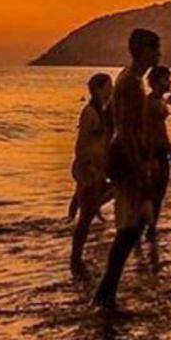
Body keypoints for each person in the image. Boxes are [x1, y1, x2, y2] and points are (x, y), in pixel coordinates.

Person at [93, 28, 161, 309]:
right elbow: (128, 131)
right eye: (155, 48)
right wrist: (140, 172)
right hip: (129, 160)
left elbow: (111, 118)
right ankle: (105, 294)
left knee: (133, 225)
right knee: (130, 227)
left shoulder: (127, 78)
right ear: (143, 50)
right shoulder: (131, 83)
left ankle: (107, 292)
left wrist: (109, 150)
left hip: (123, 157)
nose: (159, 53)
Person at [69, 73, 114, 269]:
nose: (110, 90)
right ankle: (75, 259)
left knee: (90, 203)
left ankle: (82, 207)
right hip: (89, 168)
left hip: (98, 168)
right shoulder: (89, 113)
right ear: (98, 89)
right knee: (85, 218)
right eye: (108, 86)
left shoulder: (102, 111)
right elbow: (81, 145)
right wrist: (87, 169)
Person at [144, 65, 171, 241]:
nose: (170, 82)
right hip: (153, 152)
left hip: (161, 150)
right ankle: (146, 230)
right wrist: (150, 158)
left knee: (158, 194)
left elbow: (162, 130)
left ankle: (151, 228)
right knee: (152, 194)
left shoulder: (159, 101)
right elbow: (150, 132)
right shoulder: (150, 103)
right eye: (167, 79)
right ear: (157, 81)